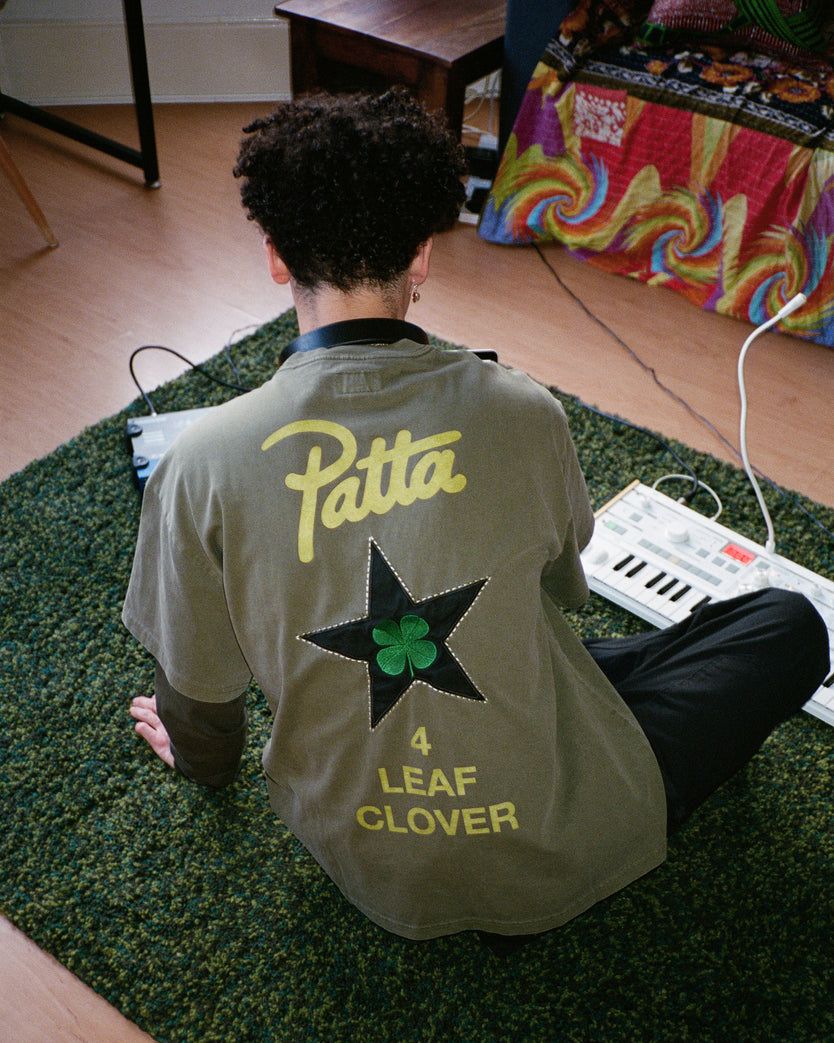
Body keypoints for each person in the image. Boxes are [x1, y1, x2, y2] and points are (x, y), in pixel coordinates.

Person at [124, 88, 830, 944]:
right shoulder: (523, 411)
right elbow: (563, 590)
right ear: (422, 255)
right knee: (786, 624)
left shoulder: (196, 466)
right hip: (565, 829)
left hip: (367, 857)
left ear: (276, 257)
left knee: (540, 649)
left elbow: (204, 712)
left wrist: (198, 756)